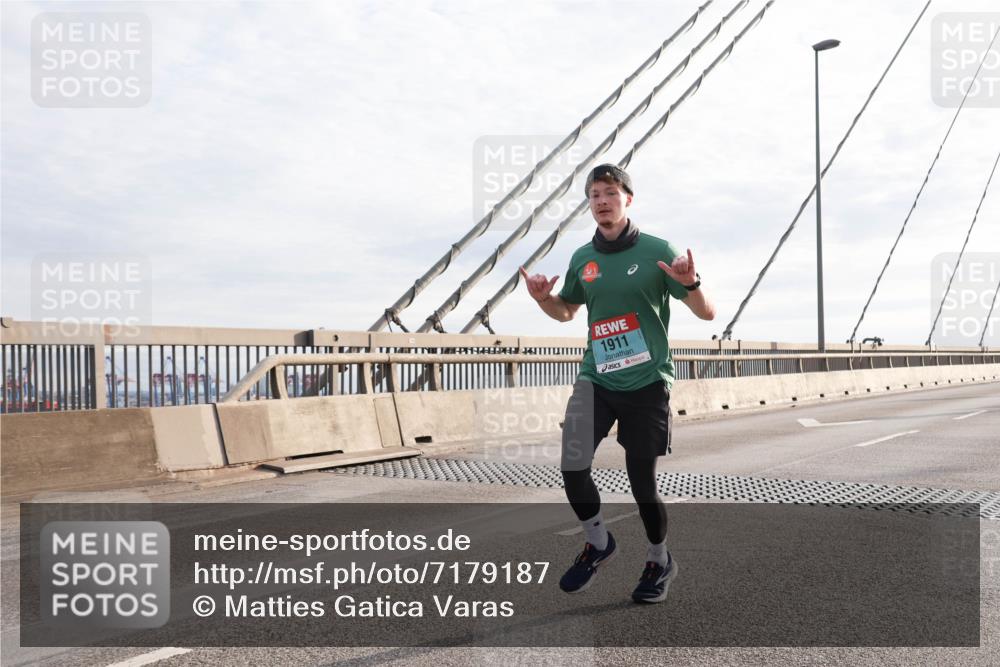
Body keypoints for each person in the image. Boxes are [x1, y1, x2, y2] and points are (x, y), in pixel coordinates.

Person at [518, 163, 715, 603]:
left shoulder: (657, 250)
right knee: (572, 464)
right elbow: (567, 311)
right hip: (596, 378)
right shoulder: (582, 260)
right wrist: (544, 299)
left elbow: (707, 314)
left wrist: (691, 283)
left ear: (628, 199)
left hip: (646, 383)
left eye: (609, 192)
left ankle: (659, 559)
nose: (601, 201)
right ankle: (599, 543)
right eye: (593, 195)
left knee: (642, 484)